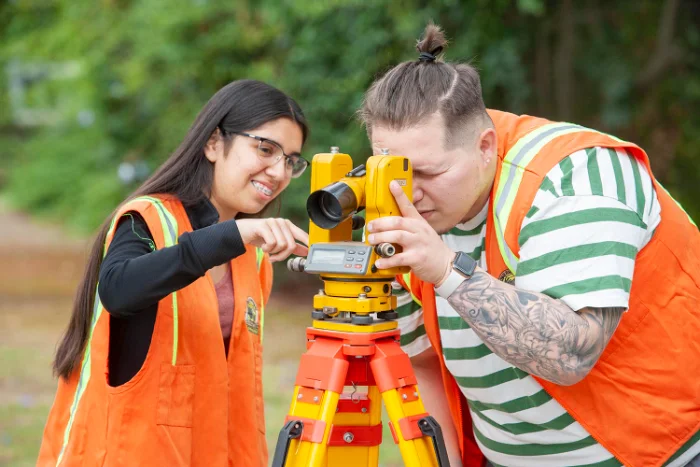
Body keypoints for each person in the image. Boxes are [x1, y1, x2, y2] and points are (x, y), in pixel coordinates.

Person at [360, 23, 700, 467]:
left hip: (657, 453)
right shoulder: (405, 205)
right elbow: (419, 363)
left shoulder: (574, 176)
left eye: (428, 173)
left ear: (485, 147)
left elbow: (571, 354)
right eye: (396, 172)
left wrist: (446, 271)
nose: (410, 193)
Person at [38, 80, 310, 467]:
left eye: (291, 161)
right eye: (265, 149)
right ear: (214, 143)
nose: (278, 171)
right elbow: (117, 290)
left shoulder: (256, 259)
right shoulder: (149, 219)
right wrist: (228, 236)